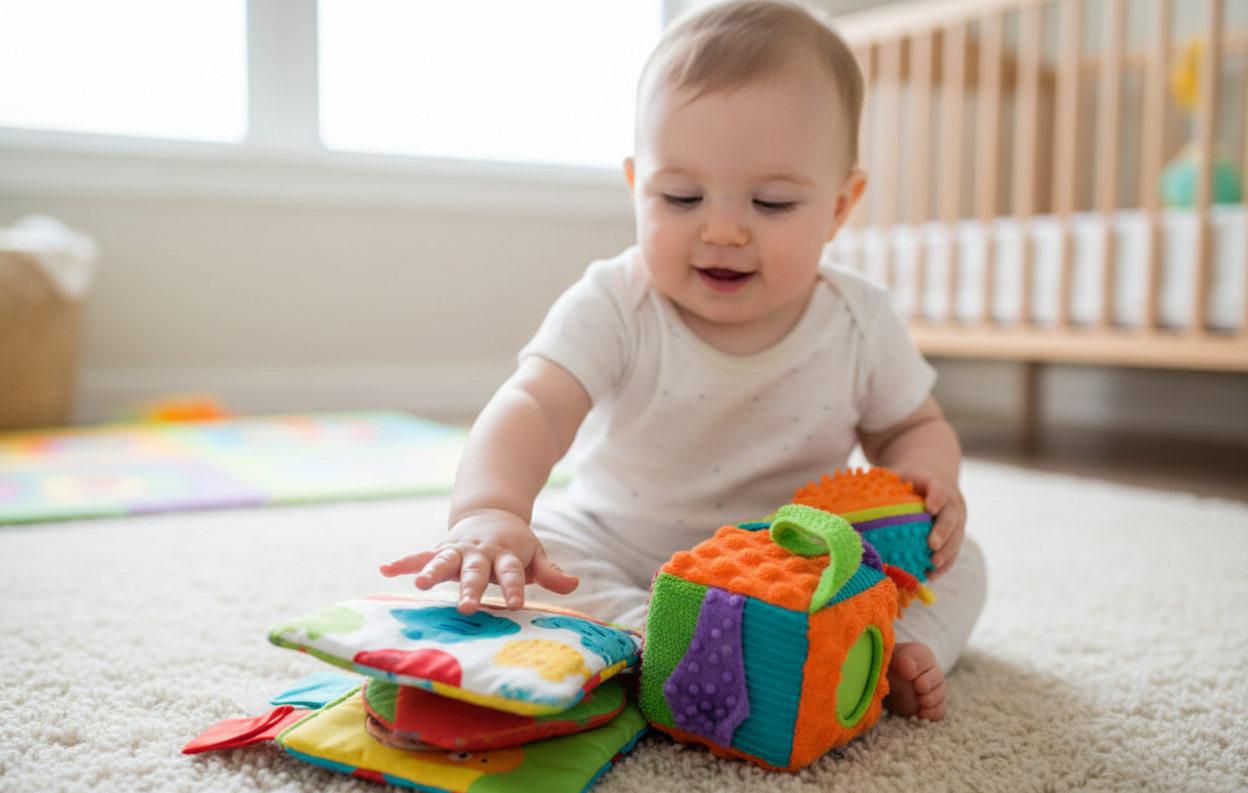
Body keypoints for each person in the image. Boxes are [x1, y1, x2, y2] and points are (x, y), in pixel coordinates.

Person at [381, 0, 985, 722]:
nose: (724, 229)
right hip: (621, 544)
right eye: (682, 195)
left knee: (963, 562)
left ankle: (878, 650)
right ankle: (649, 638)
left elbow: (911, 426)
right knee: (530, 565)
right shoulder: (616, 301)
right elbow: (534, 405)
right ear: (638, 186)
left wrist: (930, 479)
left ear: (839, 206)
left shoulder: (860, 318)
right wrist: (490, 511)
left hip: (789, 569)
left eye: (772, 202)